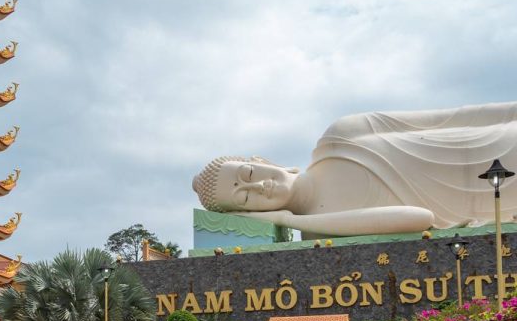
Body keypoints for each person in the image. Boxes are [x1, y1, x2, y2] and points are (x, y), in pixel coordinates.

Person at [192, 101, 517, 236]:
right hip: (496, 201)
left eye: (248, 175)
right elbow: (421, 218)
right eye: (246, 199)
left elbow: (448, 119)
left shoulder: (340, 136)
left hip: (497, 142)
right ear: (248, 215)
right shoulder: (319, 229)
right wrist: (285, 220)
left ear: (261, 161)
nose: (258, 187)